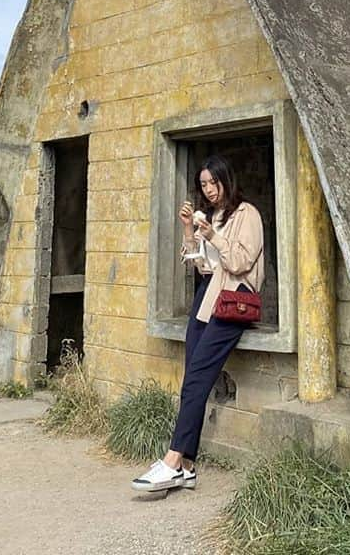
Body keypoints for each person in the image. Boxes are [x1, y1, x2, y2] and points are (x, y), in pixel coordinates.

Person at [131, 154, 264, 493]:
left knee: (196, 379)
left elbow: (240, 262)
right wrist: (190, 230)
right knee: (193, 378)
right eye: (203, 185)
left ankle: (172, 461)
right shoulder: (215, 216)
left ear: (226, 180)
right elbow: (202, 267)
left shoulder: (247, 214)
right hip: (207, 296)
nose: (209, 190)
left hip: (232, 299)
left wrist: (214, 236)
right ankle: (188, 467)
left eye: (213, 183)